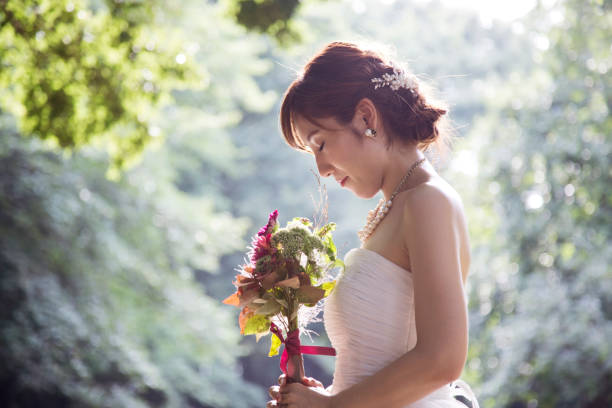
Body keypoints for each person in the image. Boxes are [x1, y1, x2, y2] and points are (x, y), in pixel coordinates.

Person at [266, 41, 479, 408]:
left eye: (320, 145)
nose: (321, 170)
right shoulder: (397, 206)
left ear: (366, 118)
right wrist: (320, 398)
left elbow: (442, 359)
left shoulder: (428, 201)